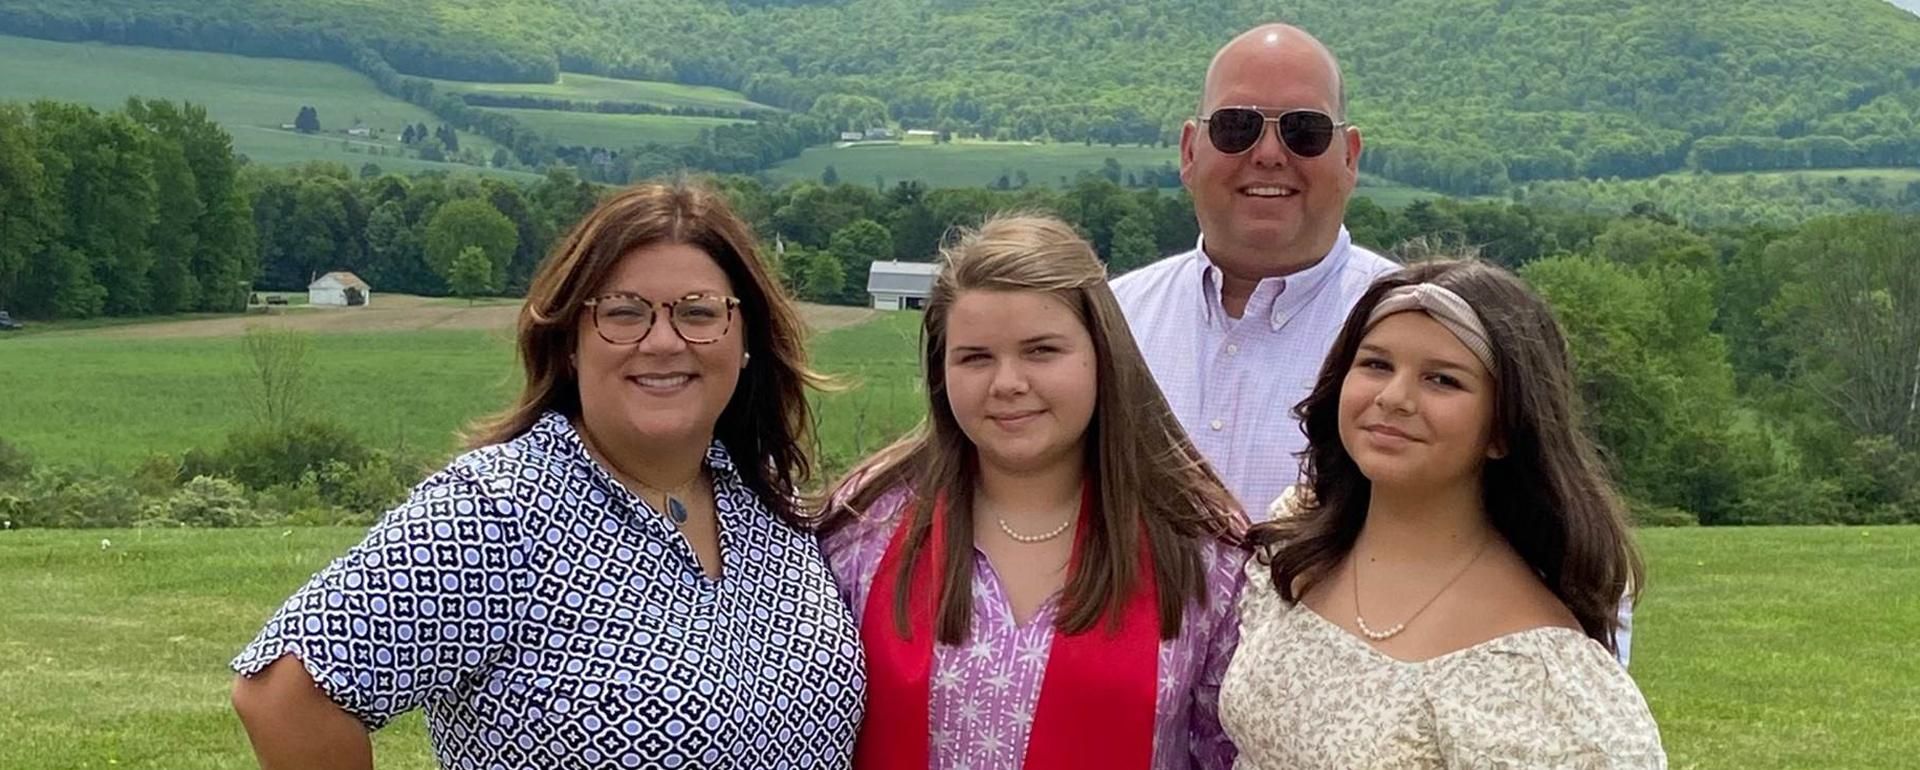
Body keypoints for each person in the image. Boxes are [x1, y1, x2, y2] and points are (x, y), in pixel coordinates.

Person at [229, 181, 865, 769]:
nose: (663, 340)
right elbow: (284, 693)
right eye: (623, 312)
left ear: (744, 337)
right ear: (569, 339)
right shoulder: (498, 508)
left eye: (699, 312)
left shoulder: (769, 503)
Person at [1111, 23, 1636, 664]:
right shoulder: (1107, 326)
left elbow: (1554, 528)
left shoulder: (1427, 334)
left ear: (1350, 156)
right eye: (1236, 127)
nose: (1269, 153)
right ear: (1190, 150)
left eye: (1303, 130)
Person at [819, 214, 1246, 769]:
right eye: (975, 357)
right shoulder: (865, 522)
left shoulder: (1201, 546)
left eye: (1041, 351)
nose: (1008, 383)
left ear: (1103, 356)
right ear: (939, 371)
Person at [1219, 259, 1665, 768]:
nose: (1394, 398)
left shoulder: (1537, 674)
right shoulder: (1300, 541)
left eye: (1442, 380)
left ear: (1503, 429)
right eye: (1376, 365)